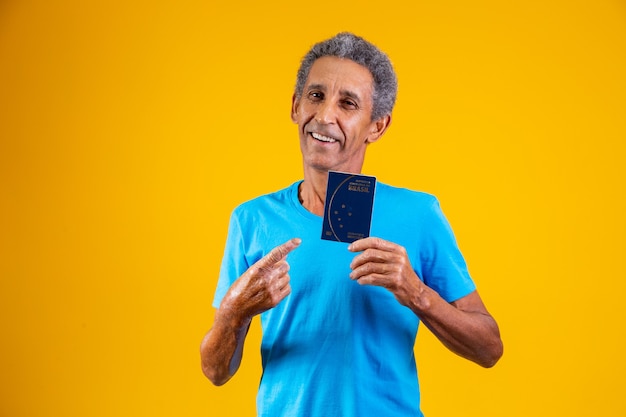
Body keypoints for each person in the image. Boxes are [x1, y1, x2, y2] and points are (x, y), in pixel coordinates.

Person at [200, 32, 503, 416]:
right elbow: (215, 371)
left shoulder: (419, 214)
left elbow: (489, 348)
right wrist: (234, 312)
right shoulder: (252, 219)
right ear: (295, 106)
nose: (325, 115)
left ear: (376, 127)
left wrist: (415, 292)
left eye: (347, 103)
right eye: (315, 95)